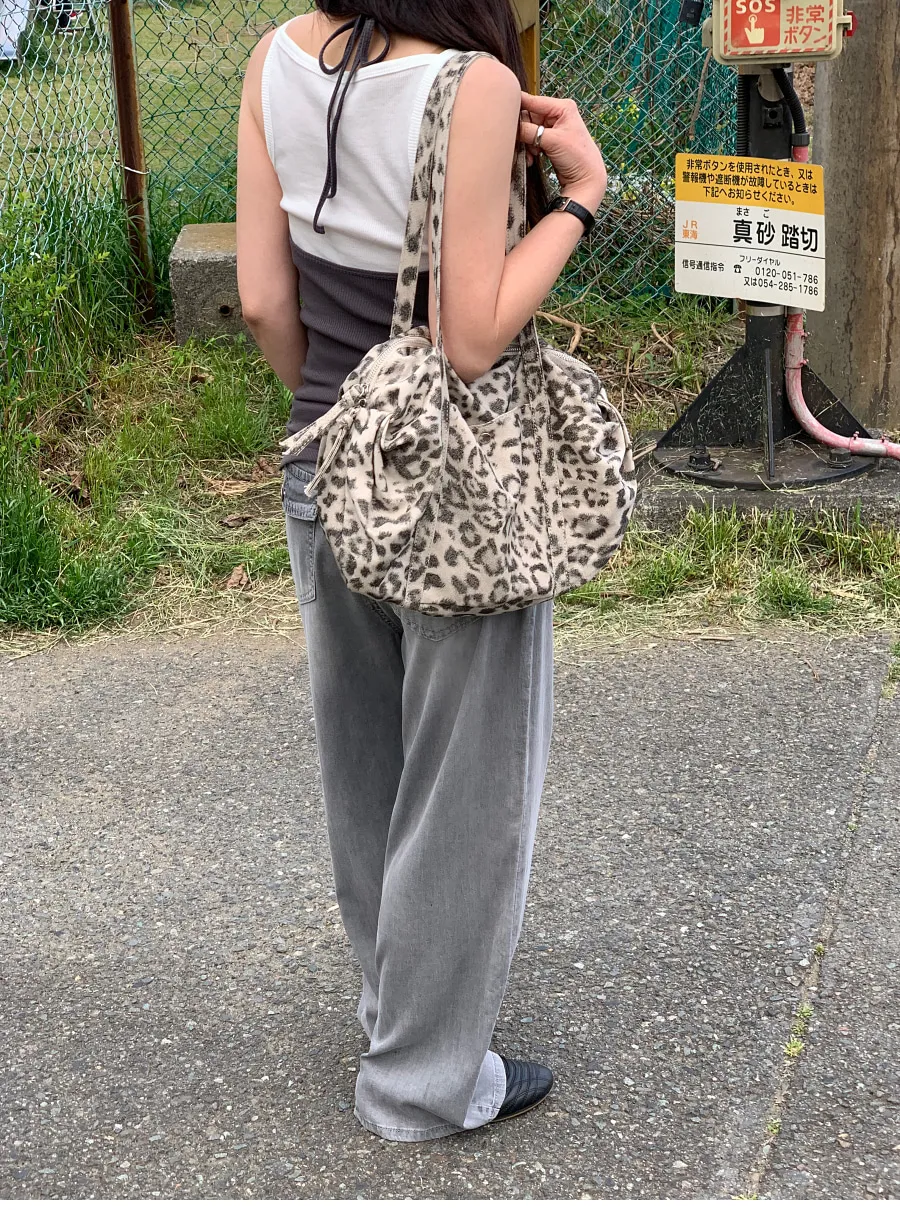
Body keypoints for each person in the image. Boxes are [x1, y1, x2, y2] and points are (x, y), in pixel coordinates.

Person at [236, 0, 607, 1142]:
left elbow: (263, 300)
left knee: (368, 769)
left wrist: (346, 419)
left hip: (325, 462)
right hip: (454, 487)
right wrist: (583, 196)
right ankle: (425, 1082)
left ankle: (396, 1019)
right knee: (466, 790)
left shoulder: (273, 57)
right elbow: (472, 334)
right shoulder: (474, 84)